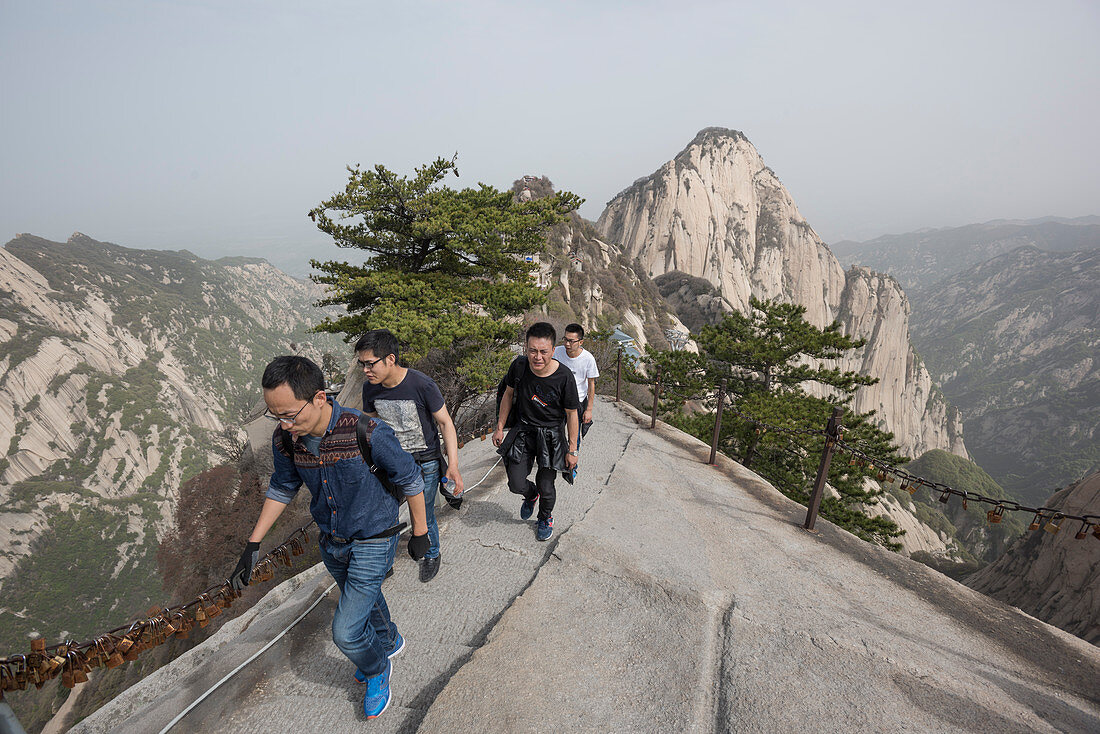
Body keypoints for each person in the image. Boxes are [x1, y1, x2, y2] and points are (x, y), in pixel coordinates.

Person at [230, 355, 429, 720]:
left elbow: (410, 479)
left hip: (375, 536)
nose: (286, 424)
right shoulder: (287, 440)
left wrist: (421, 534)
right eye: (277, 416)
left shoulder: (367, 432)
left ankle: (376, 667)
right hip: (333, 541)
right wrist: (253, 543)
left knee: (346, 631)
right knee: (366, 600)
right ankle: (388, 640)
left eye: (291, 414)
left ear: (320, 398)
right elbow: (282, 486)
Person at [356, 329, 465, 583]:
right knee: (385, 512)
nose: (365, 370)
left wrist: (454, 465)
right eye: (362, 364)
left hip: (424, 461)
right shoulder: (370, 389)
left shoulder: (421, 385)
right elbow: (370, 426)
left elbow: (445, 423)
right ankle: (385, 560)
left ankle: (432, 553)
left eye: (370, 364)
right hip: (390, 461)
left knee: (423, 513)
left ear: (390, 359)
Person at [493, 322, 580, 542]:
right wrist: (500, 426)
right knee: (515, 483)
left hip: (551, 435)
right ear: (526, 348)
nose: (537, 357)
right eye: (532, 350)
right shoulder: (519, 366)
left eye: (543, 351)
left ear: (553, 350)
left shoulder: (564, 376)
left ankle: (544, 517)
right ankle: (530, 495)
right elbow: (508, 395)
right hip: (523, 431)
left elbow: (572, 414)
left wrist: (572, 450)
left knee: (547, 485)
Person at [553, 323, 600, 444]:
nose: (567, 344)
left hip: (577, 401)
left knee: (574, 437)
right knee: (555, 434)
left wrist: (588, 409)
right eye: (565, 339)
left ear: (580, 342)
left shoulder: (588, 358)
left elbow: (591, 385)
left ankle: (573, 461)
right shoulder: (557, 352)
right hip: (558, 400)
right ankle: (555, 461)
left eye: (571, 341)